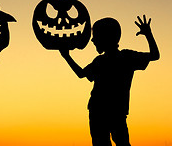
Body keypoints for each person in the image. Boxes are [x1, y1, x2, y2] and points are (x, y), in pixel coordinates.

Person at [59, 16, 159, 146]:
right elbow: (155, 55)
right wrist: (148, 34)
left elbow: (81, 74)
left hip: (101, 113)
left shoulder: (106, 60)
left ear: (105, 38)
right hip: (112, 112)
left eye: (96, 36)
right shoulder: (125, 57)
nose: (93, 40)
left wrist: (67, 57)